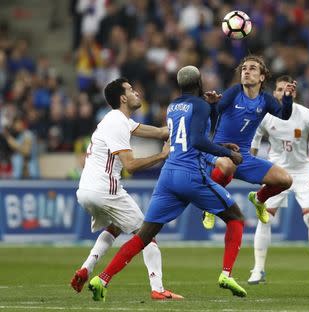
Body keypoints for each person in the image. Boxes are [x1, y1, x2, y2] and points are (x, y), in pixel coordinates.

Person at [87, 66, 247, 302]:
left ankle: (102, 278)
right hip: (191, 174)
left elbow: (199, 130)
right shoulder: (199, 105)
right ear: (199, 82)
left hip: (168, 175)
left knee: (143, 236)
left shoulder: (173, 107)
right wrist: (227, 153)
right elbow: (199, 140)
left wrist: (212, 107)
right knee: (235, 217)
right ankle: (226, 274)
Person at [72, 77, 183, 300]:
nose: (137, 93)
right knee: (147, 235)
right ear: (123, 98)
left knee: (115, 226)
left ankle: (86, 267)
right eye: (132, 90)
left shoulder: (117, 120)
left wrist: (183, 122)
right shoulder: (118, 123)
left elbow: (161, 132)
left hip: (85, 191)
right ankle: (158, 289)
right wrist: (162, 155)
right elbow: (130, 166)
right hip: (105, 190)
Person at [249, 75, 309, 285]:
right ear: (274, 92)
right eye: (277, 90)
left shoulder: (305, 115)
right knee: (264, 217)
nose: (280, 93)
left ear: (292, 93)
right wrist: (251, 166)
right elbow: (254, 139)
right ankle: (258, 269)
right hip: (276, 172)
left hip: (304, 172)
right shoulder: (266, 116)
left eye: (284, 90)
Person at [202, 55, 296, 228]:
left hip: (243, 158)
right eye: (244, 68)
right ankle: (211, 205)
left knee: (286, 180)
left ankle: (259, 199)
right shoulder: (234, 92)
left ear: (261, 77)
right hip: (219, 152)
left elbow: (284, 115)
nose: (246, 71)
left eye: (252, 68)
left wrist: (288, 98)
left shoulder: (266, 100)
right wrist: (213, 105)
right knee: (226, 167)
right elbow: (214, 117)